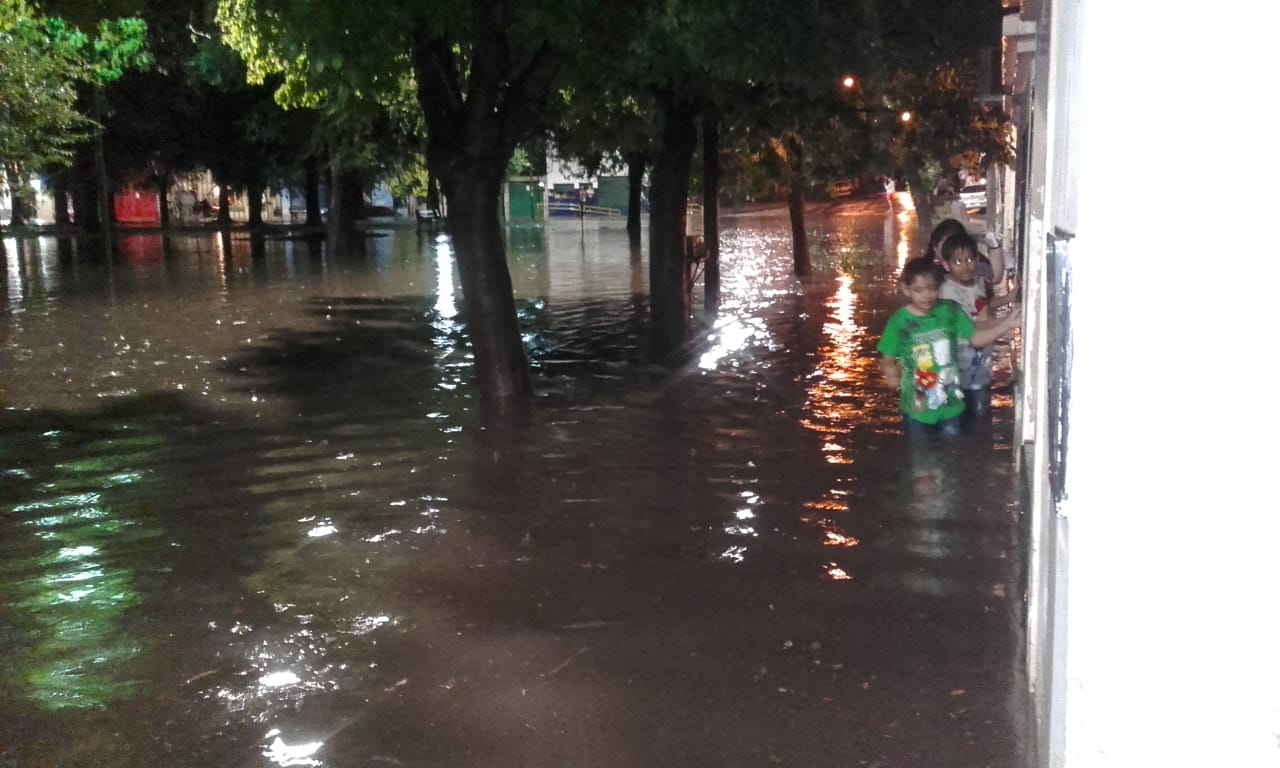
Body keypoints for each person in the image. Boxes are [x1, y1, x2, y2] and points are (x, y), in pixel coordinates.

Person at [876, 256, 1020, 437]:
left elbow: (974, 339)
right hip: (916, 409)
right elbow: (887, 359)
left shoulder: (950, 310)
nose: (927, 295)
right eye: (919, 290)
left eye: (932, 288)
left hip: (951, 405)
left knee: (952, 453)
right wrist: (891, 375)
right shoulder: (899, 322)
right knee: (921, 456)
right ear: (906, 289)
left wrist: (1006, 325)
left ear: (940, 286)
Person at [937, 233, 1018, 423]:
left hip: (981, 355)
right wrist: (1005, 322)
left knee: (981, 401)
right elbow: (969, 324)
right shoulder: (945, 291)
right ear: (946, 265)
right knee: (960, 404)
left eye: (970, 259)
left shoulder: (979, 282)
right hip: (960, 354)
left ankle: (978, 440)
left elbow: (984, 304)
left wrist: (1008, 298)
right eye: (958, 262)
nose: (966, 266)